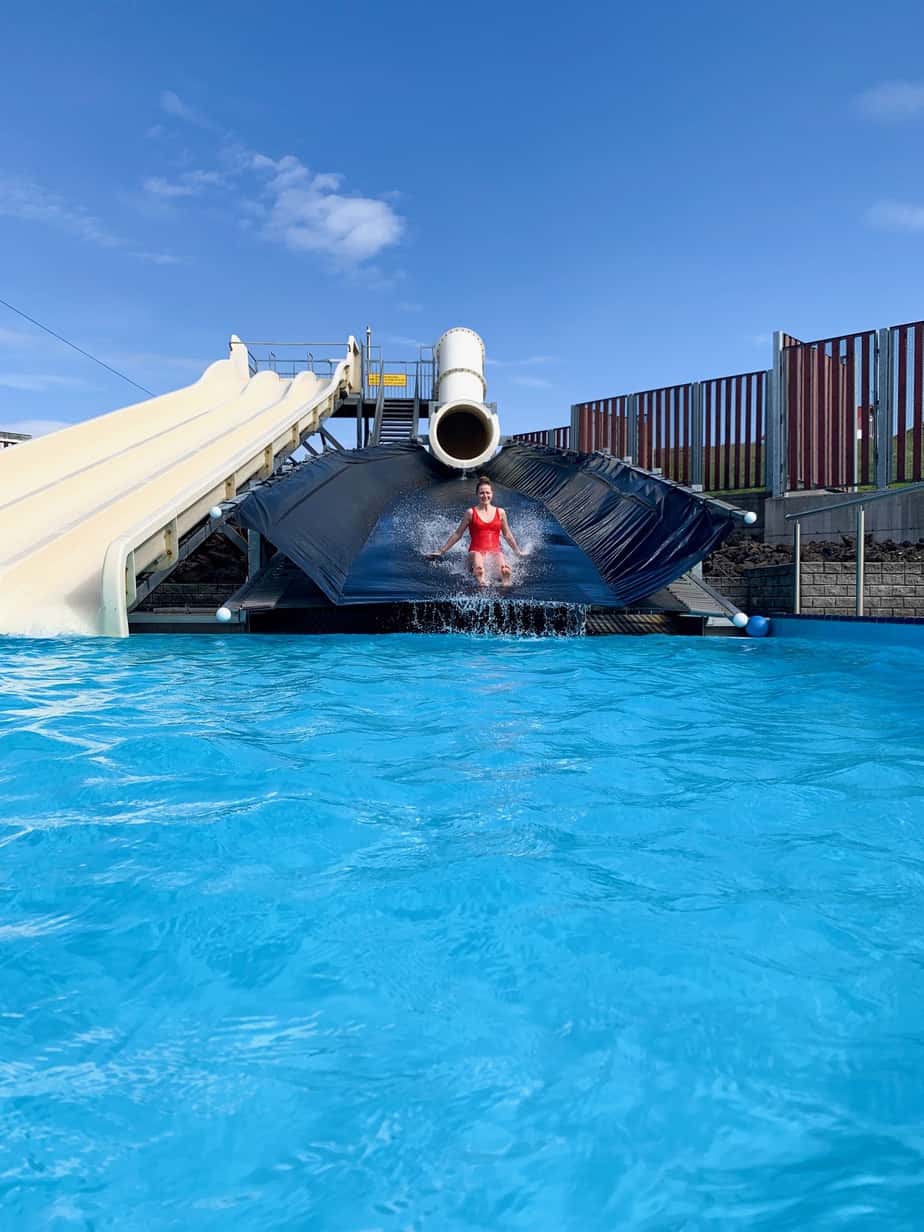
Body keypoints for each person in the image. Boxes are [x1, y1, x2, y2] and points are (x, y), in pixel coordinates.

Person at [428, 476, 524, 586]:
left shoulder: (500, 512)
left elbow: (507, 534)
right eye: (482, 493)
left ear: (492, 494)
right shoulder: (471, 513)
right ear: (477, 494)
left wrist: (518, 551)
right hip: (474, 553)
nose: (485, 496)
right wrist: (441, 551)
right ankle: (481, 580)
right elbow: (458, 534)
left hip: (493, 553)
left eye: (487, 493)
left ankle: (505, 579)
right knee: (478, 560)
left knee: (502, 562)